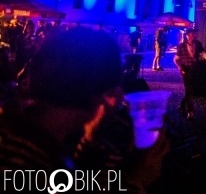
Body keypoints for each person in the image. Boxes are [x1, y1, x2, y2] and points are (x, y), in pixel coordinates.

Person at [0, 27, 169, 193]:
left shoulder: (22, 135)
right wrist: (135, 182)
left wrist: (90, 141)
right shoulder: (25, 159)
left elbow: (66, 182)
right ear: (110, 96)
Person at [174, 28, 206, 119]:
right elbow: (176, 59)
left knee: (190, 90)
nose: (194, 35)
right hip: (185, 69)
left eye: (195, 34)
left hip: (195, 69)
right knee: (188, 89)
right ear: (187, 35)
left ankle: (182, 105)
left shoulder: (198, 44)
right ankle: (190, 111)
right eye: (192, 34)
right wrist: (179, 67)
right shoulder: (181, 46)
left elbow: (203, 53)